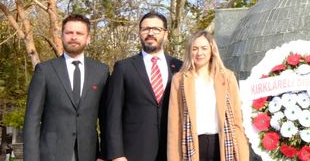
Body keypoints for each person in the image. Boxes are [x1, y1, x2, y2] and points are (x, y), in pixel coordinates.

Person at [23, 14, 109, 161]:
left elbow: (107, 118)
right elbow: (32, 120)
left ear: (88, 38)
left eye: (79, 33)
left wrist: (105, 154)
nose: (74, 37)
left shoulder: (101, 71)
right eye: (69, 33)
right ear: (62, 36)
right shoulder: (44, 70)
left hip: (90, 154)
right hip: (51, 154)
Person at [105, 11, 183, 161]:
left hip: (173, 151)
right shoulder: (123, 67)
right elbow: (113, 114)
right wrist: (116, 154)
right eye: (145, 29)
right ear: (140, 33)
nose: (150, 33)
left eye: (156, 29)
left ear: (166, 34)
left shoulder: (180, 67)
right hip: (133, 152)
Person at [167, 30, 249, 161]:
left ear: (212, 50)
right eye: (195, 49)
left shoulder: (227, 77)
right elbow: (174, 125)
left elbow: (237, 121)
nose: (199, 53)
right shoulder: (179, 79)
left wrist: (243, 155)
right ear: (190, 52)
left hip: (222, 144)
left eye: (204, 48)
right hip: (193, 146)